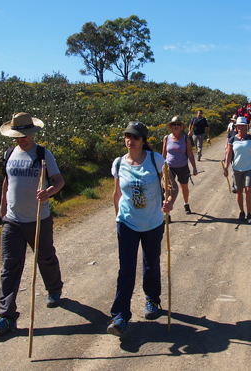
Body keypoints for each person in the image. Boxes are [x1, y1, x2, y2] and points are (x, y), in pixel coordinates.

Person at [0, 112, 65, 335]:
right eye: (17, 135)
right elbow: (7, 180)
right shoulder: (9, 153)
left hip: (38, 218)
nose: (20, 139)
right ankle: (6, 316)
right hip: (12, 220)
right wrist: (2, 203)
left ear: (32, 133)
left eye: (24, 135)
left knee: (45, 257)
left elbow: (59, 181)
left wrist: (48, 192)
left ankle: (54, 288)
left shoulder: (43, 154)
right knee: (9, 267)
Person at [107, 121, 178, 337]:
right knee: (126, 269)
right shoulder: (119, 163)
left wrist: (170, 201)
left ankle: (152, 301)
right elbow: (117, 194)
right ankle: (119, 316)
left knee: (151, 263)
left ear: (143, 140)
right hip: (127, 223)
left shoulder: (156, 160)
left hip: (153, 223)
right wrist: (118, 217)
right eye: (127, 136)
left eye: (135, 137)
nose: (130, 140)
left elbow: (171, 185)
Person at [223, 117, 251, 224]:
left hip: (249, 168)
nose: (241, 127)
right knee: (239, 191)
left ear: (246, 126)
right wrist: (226, 167)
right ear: (236, 127)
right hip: (236, 169)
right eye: (239, 126)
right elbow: (229, 155)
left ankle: (249, 214)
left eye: (243, 125)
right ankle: (241, 211)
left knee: (248, 190)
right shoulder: (232, 139)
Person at [162, 116, 198, 215]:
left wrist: (194, 168)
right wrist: (160, 169)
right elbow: (164, 154)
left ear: (181, 126)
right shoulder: (166, 138)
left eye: (178, 124)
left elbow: (190, 154)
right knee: (168, 189)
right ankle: (167, 213)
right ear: (171, 126)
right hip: (169, 167)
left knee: (184, 187)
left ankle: (186, 204)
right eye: (174, 124)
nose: (176, 126)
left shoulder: (186, 138)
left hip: (183, 167)